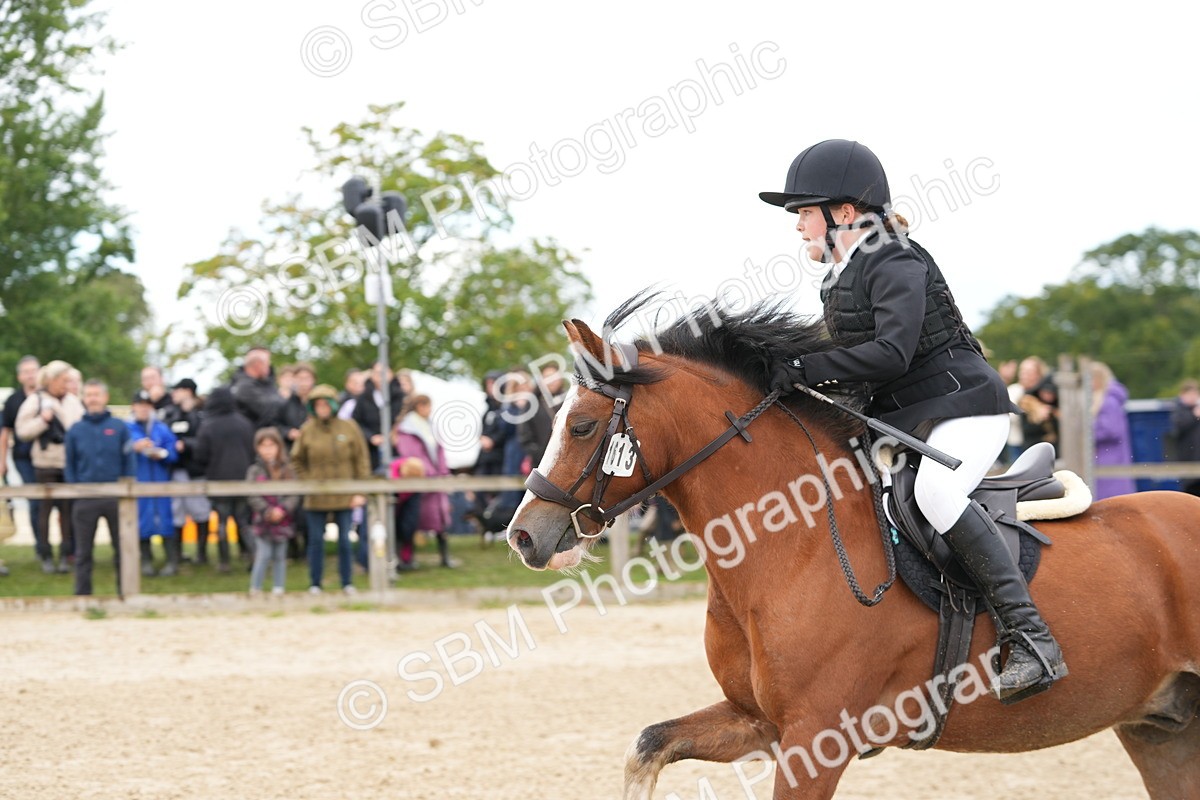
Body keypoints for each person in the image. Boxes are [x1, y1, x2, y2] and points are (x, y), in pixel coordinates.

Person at [760, 139, 1065, 703]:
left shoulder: (895, 259)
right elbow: (855, 372)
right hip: (909, 419)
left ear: (844, 213)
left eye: (804, 212)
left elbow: (891, 354)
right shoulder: (840, 276)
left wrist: (805, 364)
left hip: (963, 407)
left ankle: (1032, 638)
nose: (798, 225)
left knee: (936, 495)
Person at [290, 384, 371, 594]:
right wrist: (309, 482)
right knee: (316, 541)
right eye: (317, 404)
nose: (322, 408)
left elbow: (361, 460)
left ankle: (347, 582)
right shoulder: (307, 430)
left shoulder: (349, 427)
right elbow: (296, 459)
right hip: (316, 496)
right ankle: (315, 583)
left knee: (345, 540)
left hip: (345, 494)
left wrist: (360, 491)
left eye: (326, 404)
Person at [64, 381, 136, 596]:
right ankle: (83, 596)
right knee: (83, 552)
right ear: (83, 398)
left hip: (117, 498)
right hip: (85, 498)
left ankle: (126, 593)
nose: (93, 399)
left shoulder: (119, 427)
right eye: (88, 395)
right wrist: (76, 490)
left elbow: (129, 461)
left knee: (123, 550)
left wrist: (127, 489)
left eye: (96, 394)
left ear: (105, 397)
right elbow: (69, 464)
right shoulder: (76, 430)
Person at [15, 360, 84, 574]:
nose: (67, 384)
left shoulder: (72, 401)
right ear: (52, 380)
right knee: (44, 510)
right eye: (64, 380)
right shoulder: (36, 400)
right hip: (45, 464)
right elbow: (22, 430)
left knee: (67, 511)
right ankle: (46, 554)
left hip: (68, 464)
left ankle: (65, 554)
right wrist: (42, 422)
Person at [193, 386, 257, 572]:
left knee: (221, 521)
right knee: (243, 520)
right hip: (243, 480)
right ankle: (254, 554)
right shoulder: (245, 423)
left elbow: (200, 455)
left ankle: (224, 562)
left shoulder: (209, 425)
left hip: (218, 480)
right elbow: (253, 452)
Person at [391, 394, 455, 569]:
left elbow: (440, 452)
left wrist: (443, 472)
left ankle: (445, 557)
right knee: (411, 522)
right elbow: (411, 455)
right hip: (419, 482)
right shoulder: (406, 430)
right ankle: (406, 559)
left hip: (436, 481)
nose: (430, 410)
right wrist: (430, 473)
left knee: (441, 521)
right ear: (419, 406)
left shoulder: (430, 427)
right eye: (427, 406)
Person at [127, 391, 179, 577]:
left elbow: (173, 452)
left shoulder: (161, 428)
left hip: (160, 481)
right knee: (142, 521)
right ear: (133, 406)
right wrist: (135, 448)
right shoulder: (127, 428)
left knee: (165, 520)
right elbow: (120, 452)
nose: (143, 408)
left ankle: (172, 561)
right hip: (139, 481)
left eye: (147, 405)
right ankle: (146, 561)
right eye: (139, 404)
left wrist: (163, 454)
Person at [162, 378, 210, 568]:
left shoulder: (202, 414)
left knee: (200, 511)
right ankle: (178, 554)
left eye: (178, 390)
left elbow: (205, 441)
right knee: (177, 512)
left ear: (188, 391)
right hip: (175, 470)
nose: (173, 393)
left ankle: (202, 553)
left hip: (195, 471)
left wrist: (187, 445)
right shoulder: (171, 413)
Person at [246, 428, 299, 595]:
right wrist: (267, 511)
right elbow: (252, 494)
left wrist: (282, 510)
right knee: (264, 553)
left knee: (280, 555)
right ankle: (256, 588)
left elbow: (293, 494)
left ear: (279, 447)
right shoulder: (254, 470)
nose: (268, 449)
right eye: (264, 446)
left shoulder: (288, 469)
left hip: (283, 519)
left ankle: (278, 588)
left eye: (271, 445)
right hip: (263, 519)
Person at [1, 355, 42, 561]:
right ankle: (40, 548)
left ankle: (63, 549)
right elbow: (4, 433)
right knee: (35, 500)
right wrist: (2, 462)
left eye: (33, 370)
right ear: (19, 376)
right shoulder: (13, 400)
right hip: (24, 457)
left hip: (48, 458)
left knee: (54, 502)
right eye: (26, 372)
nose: (30, 375)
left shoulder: (48, 396)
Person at [1090, 362, 1136, 500]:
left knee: (1112, 501)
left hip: (1110, 459)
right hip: (1105, 457)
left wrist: (1086, 434)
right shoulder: (1101, 400)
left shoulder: (1109, 402)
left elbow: (1112, 430)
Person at [352, 361, 405, 472]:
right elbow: (356, 422)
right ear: (372, 375)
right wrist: (371, 437)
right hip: (371, 452)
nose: (381, 376)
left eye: (384, 372)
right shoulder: (363, 398)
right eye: (377, 373)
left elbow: (407, 420)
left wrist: (395, 433)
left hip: (398, 449)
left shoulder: (401, 397)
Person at [228, 346, 282, 429]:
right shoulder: (245, 387)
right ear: (258, 365)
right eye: (267, 363)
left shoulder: (267, 384)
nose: (269, 367)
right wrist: (286, 398)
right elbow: (267, 412)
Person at [1017, 357, 1058, 452]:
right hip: (1028, 449)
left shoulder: (1048, 394)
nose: (1024, 375)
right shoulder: (1019, 394)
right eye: (1022, 371)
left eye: (1029, 372)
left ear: (1039, 374)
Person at [1169, 379, 1200, 497]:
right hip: (1188, 462)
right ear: (1182, 395)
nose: (1193, 397)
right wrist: (1194, 415)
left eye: (1195, 394)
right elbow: (1179, 426)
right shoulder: (1179, 410)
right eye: (1190, 394)